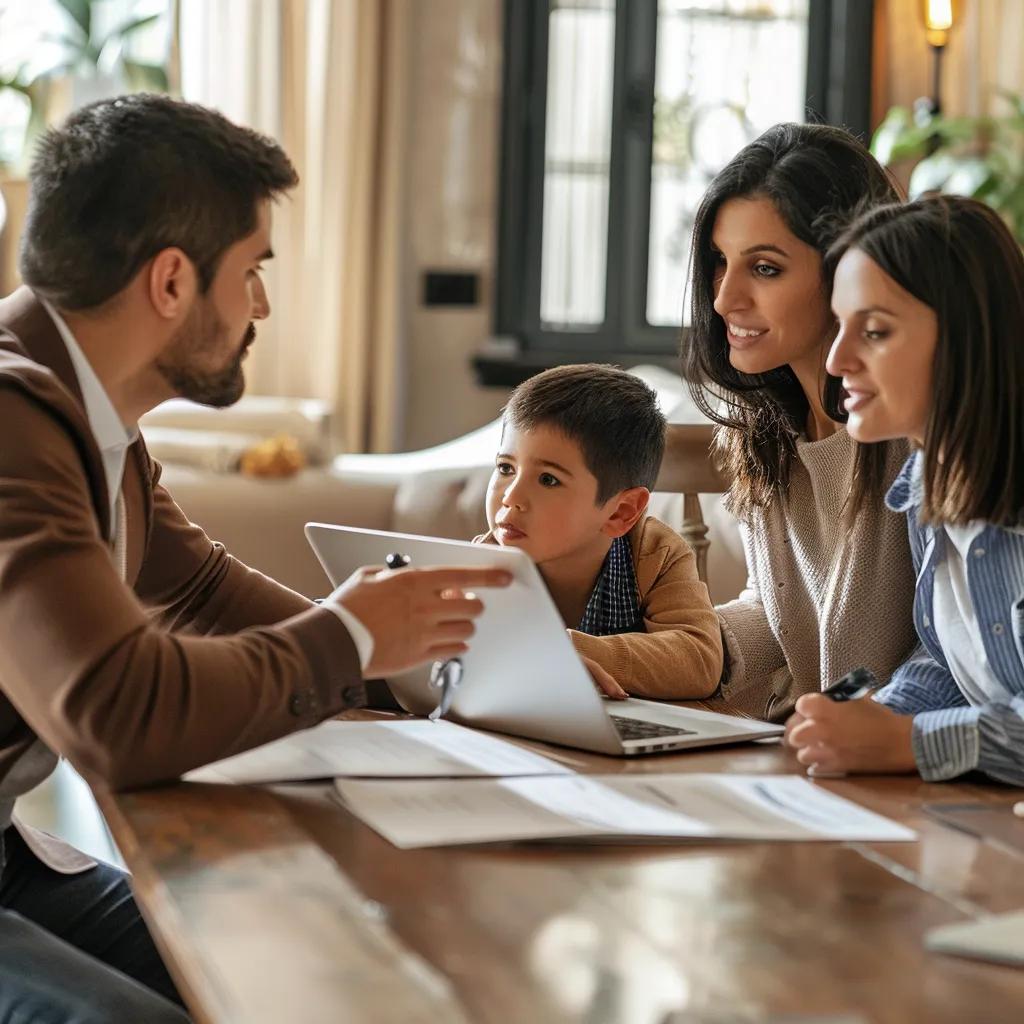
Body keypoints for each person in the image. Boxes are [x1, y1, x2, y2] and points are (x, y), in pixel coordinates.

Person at [0, 94, 509, 1022]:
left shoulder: (88, 419)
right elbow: (117, 712)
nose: (262, 304)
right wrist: (347, 642)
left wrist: (412, 670)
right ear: (169, 283)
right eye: (252, 269)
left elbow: (195, 587)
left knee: (275, 968)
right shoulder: (11, 420)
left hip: (10, 866)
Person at [681, 122, 918, 722]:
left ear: (847, 270)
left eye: (764, 268)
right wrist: (669, 651)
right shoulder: (765, 425)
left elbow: (944, 649)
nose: (724, 298)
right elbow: (778, 609)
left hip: (900, 761)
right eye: (719, 262)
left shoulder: (912, 425)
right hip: (816, 754)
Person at [786, 195, 1024, 784]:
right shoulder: (923, 491)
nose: (838, 360)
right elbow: (951, 665)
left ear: (967, 336)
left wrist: (912, 742)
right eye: (839, 327)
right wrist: (875, 720)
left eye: (874, 331)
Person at [476, 364, 723, 699]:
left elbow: (698, 661)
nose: (511, 497)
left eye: (548, 479)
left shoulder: (656, 554)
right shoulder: (482, 563)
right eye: (506, 468)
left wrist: (561, 649)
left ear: (621, 512)